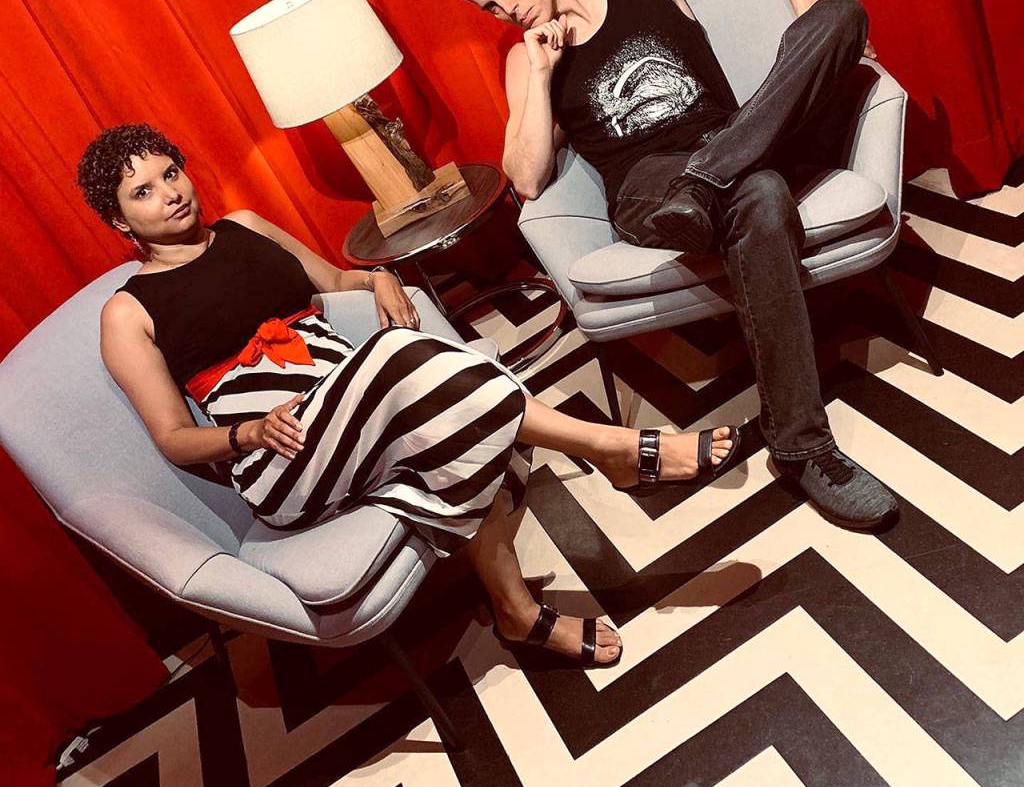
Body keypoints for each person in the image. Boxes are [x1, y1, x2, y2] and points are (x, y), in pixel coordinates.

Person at [77, 124, 741, 668]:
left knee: (454, 430)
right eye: (144, 191)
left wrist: (378, 280)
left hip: (368, 408)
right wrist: (245, 434)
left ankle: (518, 614)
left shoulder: (247, 226)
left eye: (171, 172)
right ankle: (612, 448)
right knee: (404, 356)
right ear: (117, 220)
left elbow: (335, 278)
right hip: (284, 456)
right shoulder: (127, 313)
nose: (170, 193)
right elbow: (172, 438)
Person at [446, 0, 899, 530]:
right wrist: (543, 78)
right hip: (651, 190)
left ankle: (708, 178)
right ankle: (802, 448)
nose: (509, 10)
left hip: (732, 143)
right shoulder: (527, 61)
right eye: (491, 9)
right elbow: (525, 178)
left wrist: (803, 24)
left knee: (839, 14)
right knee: (762, 191)